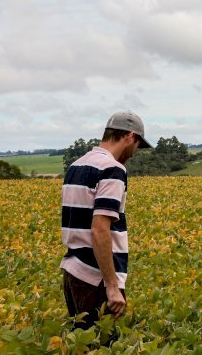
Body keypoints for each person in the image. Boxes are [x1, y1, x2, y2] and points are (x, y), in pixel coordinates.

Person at [60, 110, 152, 331]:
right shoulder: (112, 170)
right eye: (137, 144)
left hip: (73, 272)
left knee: (81, 348)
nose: (134, 152)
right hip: (96, 278)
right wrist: (112, 286)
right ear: (130, 136)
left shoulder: (76, 166)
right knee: (102, 352)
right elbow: (100, 229)